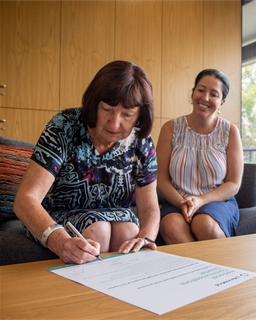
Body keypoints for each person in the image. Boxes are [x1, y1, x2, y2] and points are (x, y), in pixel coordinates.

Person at [13, 60, 160, 264]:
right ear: (94, 103)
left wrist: (146, 238)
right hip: (60, 217)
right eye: (107, 109)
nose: (115, 123)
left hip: (119, 220)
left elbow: (149, 209)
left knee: (130, 230)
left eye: (127, 114)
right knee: (97, 230)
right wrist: (59, 241)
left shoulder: (141, 142)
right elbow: (25, 199)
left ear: (139, 116)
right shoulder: (65, 126)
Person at [156, 69, 243, 244]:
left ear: (222, 102)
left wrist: (201, 201)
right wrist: (182, 203)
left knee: (204, 224)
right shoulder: (169, 128)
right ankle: (199, 270)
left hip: (216, 201)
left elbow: (233, 184)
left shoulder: (230, 132)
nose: (205, 98)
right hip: (176, 200)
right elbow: (161, 178)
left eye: (214, 94)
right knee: (171, 226)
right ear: (193, 93)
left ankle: (215, 269)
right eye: (201, 90)